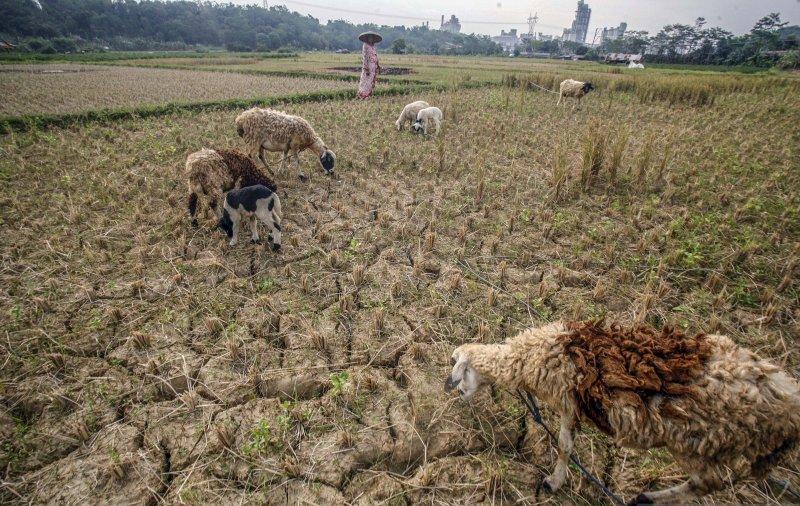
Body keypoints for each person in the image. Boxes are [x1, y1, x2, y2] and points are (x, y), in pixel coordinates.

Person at [357, 31, 382, 99]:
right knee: (365, 81)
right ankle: (363, 95)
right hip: (368, 66)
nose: (371, 39)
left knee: (371, 81)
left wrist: (378, 65)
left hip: (373, 67)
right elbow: (365, 57)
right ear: (367, 38)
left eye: (372, 38)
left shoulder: (373, 46)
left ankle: (368, 94)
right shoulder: (365, 45)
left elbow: (375, 56)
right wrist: (366, 67)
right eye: (369, 37)